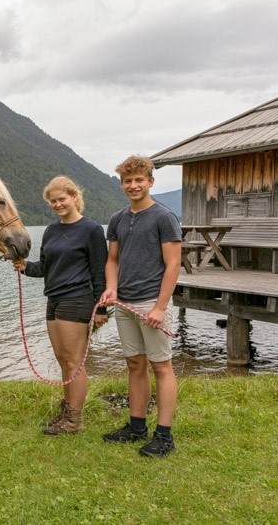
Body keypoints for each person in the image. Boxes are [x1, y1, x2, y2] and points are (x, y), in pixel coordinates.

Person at [98, 155, 181, 458]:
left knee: (161, 366)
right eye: (127, 181)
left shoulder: (164, 217)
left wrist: (160, 307)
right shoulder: (118, 219)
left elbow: (173, 266)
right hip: (124, 303)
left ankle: (164, 435)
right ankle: (136, 427)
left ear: (150, 182)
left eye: (138, 180)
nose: (133, 185)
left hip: (151, 303)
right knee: (134, 364)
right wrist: (111, 287)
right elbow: (112, 260)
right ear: (122, 184)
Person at [13, 176, 108, 435]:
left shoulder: (91, 230)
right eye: (53, 201)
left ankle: (74, 421)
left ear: (75, 197)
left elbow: (99, 272)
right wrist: (24, 267)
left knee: (74, 362)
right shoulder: (52, 230)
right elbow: (45, 267)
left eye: (62, 199)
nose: (57, 204)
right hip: (53, 300)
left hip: (77, 299)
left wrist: (100, 308)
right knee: (62, 359)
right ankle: (67, 412)